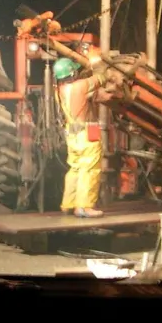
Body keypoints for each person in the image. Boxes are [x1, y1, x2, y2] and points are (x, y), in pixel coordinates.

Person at [54, 56, 108, 218]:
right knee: (90, 169)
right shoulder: (81, 85)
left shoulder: (60, 91)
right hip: (87, 134)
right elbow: (102, 78)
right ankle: (84, 207)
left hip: (72, 135)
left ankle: (68, 204)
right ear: (72, 72)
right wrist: (97, 64)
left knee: (75, 169)